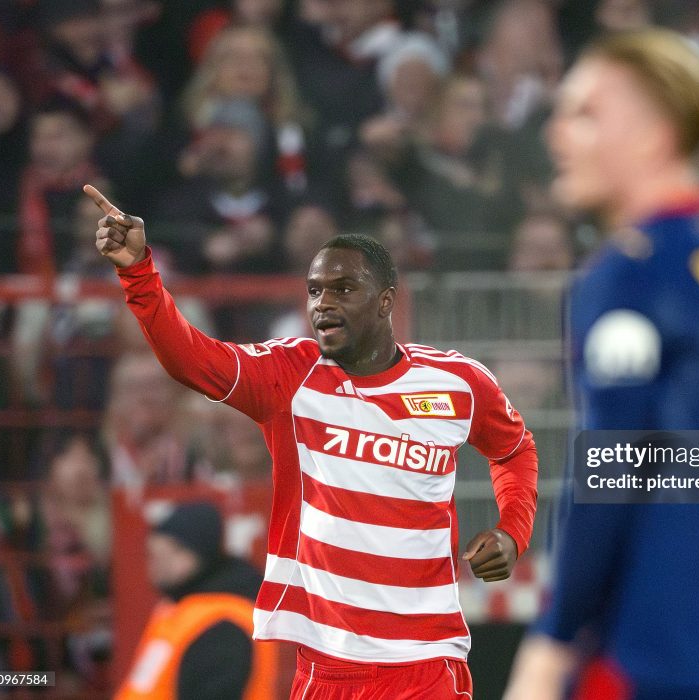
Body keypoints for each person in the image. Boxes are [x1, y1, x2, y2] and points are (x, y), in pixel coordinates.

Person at [83, 183, 539, 698]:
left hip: (425, 664)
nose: (323, 303)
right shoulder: (290, 376)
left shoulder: (456, 383)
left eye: (343, 288)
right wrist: (138, 271)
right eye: (315, 290)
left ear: (387, 300)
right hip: (325, 670)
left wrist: (512, 531)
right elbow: (193, 359)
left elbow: (514, 449)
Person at [505, 29, 699, 699]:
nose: (557, 134)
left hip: (659, 644)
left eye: (586, 114)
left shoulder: (634, 275)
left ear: (653, 134)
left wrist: (555, 635)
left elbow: (610, 468)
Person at [116, 501, 277, 699]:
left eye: (158, 556)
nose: (151, 568)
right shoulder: (181, 608)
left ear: (188, 554)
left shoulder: (222, 624)